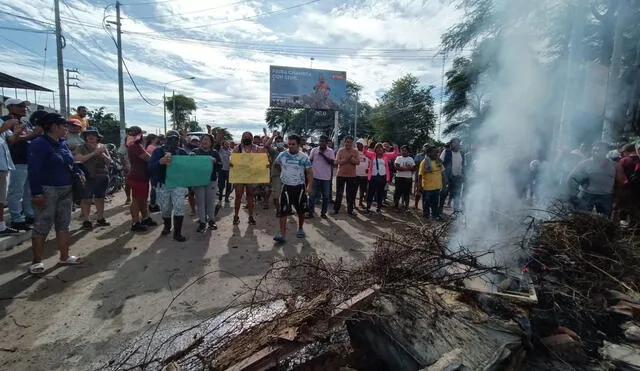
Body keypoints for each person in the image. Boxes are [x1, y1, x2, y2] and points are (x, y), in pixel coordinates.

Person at [27, 113, 84, 274]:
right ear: (54, 126)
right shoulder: (39, 144)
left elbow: (70, 162)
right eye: (64, 125)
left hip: (65, 189)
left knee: (63, 223)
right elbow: (33, 170)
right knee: (42, 225)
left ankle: (64, 256)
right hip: (47, 190)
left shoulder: (62, 144)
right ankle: (36, 261)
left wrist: (78, 172)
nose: (66, 129)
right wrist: (37, 193)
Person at [3, 99, 41, 231]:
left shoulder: (25, 122)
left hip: (28, 160)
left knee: (28, 191)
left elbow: (31, 137)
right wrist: (31, 135)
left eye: (24, 106)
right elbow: (10, 141)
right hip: (15, 161)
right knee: (16, 192)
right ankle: (16, 219)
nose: (24, 108)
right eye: (20, 106)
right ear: (10, 107)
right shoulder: (5, 121)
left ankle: (29, 215)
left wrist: (34, 134)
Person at [149, 130, 189, 241]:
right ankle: (167, 226)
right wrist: (159, 162)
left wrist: (193, 157)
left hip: (178, 184)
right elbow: (150, 167)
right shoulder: (158, 151)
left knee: (179, 207)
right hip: (163, 184)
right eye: (170, 138)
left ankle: (177, 233)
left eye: (176, 139)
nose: (173, 141)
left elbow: (190, 165)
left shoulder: (182, 152)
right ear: (166, 139)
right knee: (165, 208)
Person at [273, 134, 313, 243]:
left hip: (299, 187)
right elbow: (276, 163)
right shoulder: (282, 155)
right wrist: (283, 170)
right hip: (286, 187)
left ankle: (300, 228)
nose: (290, 146)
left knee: (301, 210)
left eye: (293, 144)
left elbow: (309, 172)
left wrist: (309, 185)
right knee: (283, 211)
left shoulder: (304, 157)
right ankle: (282, 234)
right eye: (289, 144)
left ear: (299, 145)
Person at [74, 127, 112, 229]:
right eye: (88, 135)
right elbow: (78, 159)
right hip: (87, 176)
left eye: (93, 135)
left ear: (97, 137)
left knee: (100, 198)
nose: (90, 136)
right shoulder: (81, 147)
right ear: (85, 137)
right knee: (86, 199)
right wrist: (94, 153)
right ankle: (87, 220)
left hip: (102, 176)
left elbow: (109, 161)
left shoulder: (103, 147)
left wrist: (103, 154)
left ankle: (100, 218)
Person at [568, 142, 618, 217]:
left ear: (606, 151)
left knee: (604, 220)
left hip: (606, 196)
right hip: (587, 195)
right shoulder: (584, 164)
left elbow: (620, 181)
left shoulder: (614, 165)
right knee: (581, 218)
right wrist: (573, 195)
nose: (596, 152)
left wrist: (617, 198)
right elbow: (572, 177)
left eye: (599, 150)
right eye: (594, 150)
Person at [126, 126, 157, 232]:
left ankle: (145, 218)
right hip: (137, 176)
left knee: (143, 199)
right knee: (136, 201)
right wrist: (159, 159)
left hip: (141, 176)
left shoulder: (136, 145)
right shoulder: (135, 146)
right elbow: (148, 158)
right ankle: (135, 222)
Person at [231, 131, 264, 226]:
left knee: (250, 196)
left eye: (248, 137)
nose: (246, 138)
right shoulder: (237, 148)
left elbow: (261, 159)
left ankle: (250, 216)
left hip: (251, 175)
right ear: (242, 138)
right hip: (240, 175)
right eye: (244, 137)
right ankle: (236, 216)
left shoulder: (256, 148)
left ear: (252, 138)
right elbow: (232, 159)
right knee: (238, 196)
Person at [192, 134, 222, 233]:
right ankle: (202, 222)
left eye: (207, 140)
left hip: (211, 180)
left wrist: (215, 161)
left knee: (210, 201)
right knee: (200, 202)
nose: (205, 141)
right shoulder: (195, 152)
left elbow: (220, 166)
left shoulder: (214, 153)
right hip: (198, 181)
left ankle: (211, 220)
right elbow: (189, 165)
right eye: (203, 139)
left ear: (211, 142)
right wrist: (191, 158)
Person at [363, 142, 399, 214]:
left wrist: (396, 148)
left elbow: (395, 154)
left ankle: (378, 209)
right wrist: (365, 148)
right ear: (375, 149)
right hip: (373, 177)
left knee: (380, 193)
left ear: (383, 149)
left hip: (382, 177)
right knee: (370, 193)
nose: (379, 149)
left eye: (380, 147)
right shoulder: (372, 155)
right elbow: (365, 153)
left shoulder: (386, 156)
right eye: (377, 147)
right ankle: (368, 208)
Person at [0, 108, 19, 236]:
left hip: (4, 165)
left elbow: (10, 140)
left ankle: (1, 226)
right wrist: (4, 127)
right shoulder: (3, 124)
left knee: (1, 198)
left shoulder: (0, 122)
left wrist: (17, 131)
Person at [307, 135, 335, 218]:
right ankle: (310, 212)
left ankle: (323, 213)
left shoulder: (330, 151)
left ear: (327, 143)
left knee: (326, 197)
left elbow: (331, 162)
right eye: (320, 141)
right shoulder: (314, 150)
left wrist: (323, 155)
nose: (321, 143)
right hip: (315, 177)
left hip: (326, 178)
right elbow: (310, 161)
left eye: (323, 141)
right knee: (312, 196)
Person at [334, 136, 360, 215]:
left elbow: (358, 162)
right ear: (344, 142)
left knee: (350, 194)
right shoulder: (340, 150)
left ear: (352, 143)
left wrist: (351, 160)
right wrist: (346, 159)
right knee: (339, 193)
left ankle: (350, 210)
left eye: (350, 142)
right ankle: (336, 209)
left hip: (351, 176)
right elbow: (336, 162)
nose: (348, 143)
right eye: (347, 142)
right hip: (341, 175)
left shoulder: (355, 151)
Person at [419, 146, 446, 220]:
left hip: (437, 187)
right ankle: (426, 217)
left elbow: (443, 173)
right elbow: (420, 175)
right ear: (429, 153)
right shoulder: (424, 162)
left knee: (435, 203)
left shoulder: (438, 161)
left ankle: (435, 216)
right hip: (427, 187)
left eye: (437, 152)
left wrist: (444, 185)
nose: (437, 153)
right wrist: (420, 187)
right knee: (426, 203)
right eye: (434, 152)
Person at [440, 138, 465, 211]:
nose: (457, 144)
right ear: (451, 144)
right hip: (447, 178)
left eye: (458, 143)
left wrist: (463, 175)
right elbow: (440, 163)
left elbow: (463, 165)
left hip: (457, 178)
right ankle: (439, 211)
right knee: (443, 194)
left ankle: (456, 213)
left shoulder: (462, 153)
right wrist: (444, 174)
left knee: (456, 196)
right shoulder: (446, 151)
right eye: (455, 143)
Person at [393, 145, 415, 209]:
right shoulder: (398, 158)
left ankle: (406, 206)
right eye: (402, 150)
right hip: (399, 177)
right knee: (397, 192)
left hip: (408, 178)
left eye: (405, 151)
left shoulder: (411, 159)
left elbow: (414, 168)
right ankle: (396, 205)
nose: (403, 152)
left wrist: (403, 168)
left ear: (408, 152)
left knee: (406, 193)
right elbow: (397, 167)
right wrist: (408, 168)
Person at [214, 135, 232, 205]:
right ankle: (220, 197)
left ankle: (227, 197)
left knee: (229, 185)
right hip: (222, 170)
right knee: (221, 185)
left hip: (229, 171)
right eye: (226, 144)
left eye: (228, 144)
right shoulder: (220, 150)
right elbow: (218, 143)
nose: (227, 145)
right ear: (223, 144)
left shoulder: (231, 151)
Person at [145, 134, 161, 213]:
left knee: (156, 187)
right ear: (152, 140)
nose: (157, 140)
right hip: (154, 170)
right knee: (154, 187)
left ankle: (155, 203)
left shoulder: (154, 147)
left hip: (156, 169)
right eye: (156, 139)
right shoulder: (151, 147)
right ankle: (153, 205)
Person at [355, 139, 370, 208]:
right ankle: (353, 204)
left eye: (360, 144)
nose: (358, 145)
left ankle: (360, 202)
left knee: (362, 190)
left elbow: (370, 163)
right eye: (357, 144)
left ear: (363, 145)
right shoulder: (354, 152)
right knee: (354, 190)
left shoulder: (367, 153)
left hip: (364, 175)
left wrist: (369, 169)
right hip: (355, 174)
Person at [413, 144, 428, 210]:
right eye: (425, 147)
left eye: (428, 147)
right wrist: (423, 163)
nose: (426, 148)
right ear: (423, 148)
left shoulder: (431, 157)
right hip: (419, 175)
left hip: (428, 177)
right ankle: (416, 205)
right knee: (418, 190)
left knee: (426, 192)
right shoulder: (418, 155)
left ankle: (424, 207)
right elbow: (415, 164)